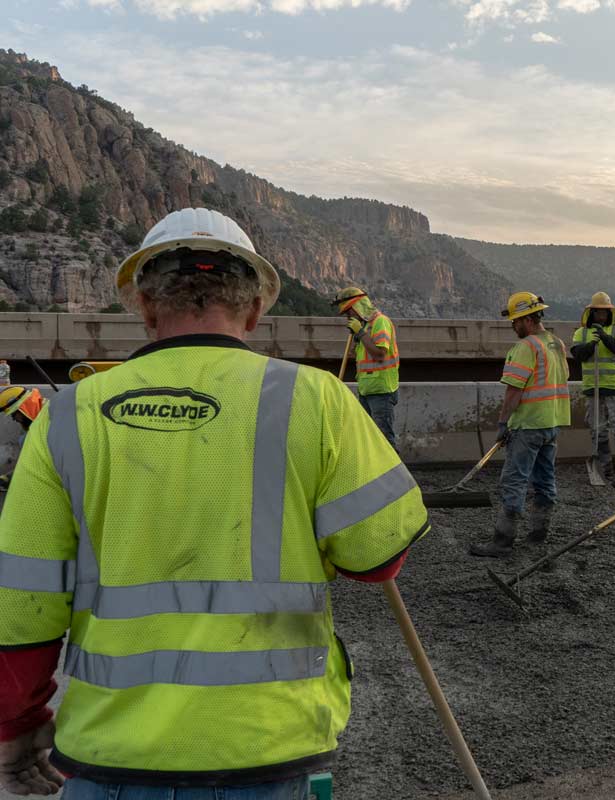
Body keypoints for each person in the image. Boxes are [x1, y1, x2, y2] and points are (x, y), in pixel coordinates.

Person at [0, 208, 430, 798]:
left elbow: (21, 606)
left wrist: (17, 725)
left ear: (147, 307)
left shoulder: (67, 417)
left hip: (112, 754)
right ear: (254, 309)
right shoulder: (316, 400)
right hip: (267, 745)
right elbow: (376, 562)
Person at [469, 292, 570, 557]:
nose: (513, 326)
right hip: (553, 422)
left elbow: (514, 390)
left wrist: (503, 422)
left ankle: (502, 541)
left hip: (528, 424)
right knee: (545, 479)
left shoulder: (526, 347)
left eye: (515, 321)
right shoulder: (556, 344)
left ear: (527, 319)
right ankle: (539, 533)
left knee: (514, 479)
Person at [570, 292, 615, 481]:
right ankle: (605, 466)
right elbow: (578, 354)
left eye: (605, 312)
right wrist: (592, 343)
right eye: (598, 312)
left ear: (610, 314)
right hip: (593, 389)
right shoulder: (580, 333)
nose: (601, 316)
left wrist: (604, 337)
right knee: (597, 428)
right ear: (591, 313)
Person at [331, 286, 400, 451]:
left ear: (358, 306)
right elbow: (364, 356)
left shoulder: (380, 322)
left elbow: (380, 354)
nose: (348, 316)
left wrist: (361, 333)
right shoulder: (366, 327)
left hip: (381, 391)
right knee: (367, 438)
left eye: (349, 311)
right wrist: (358, 338)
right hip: (366, 391)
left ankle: (394, 475)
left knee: (384, 440)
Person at [0, 386, 45, 492]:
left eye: (13, 414)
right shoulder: (43, 410)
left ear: (23, 409)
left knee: (25, 439)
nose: (14, 419)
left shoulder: (48, 422)